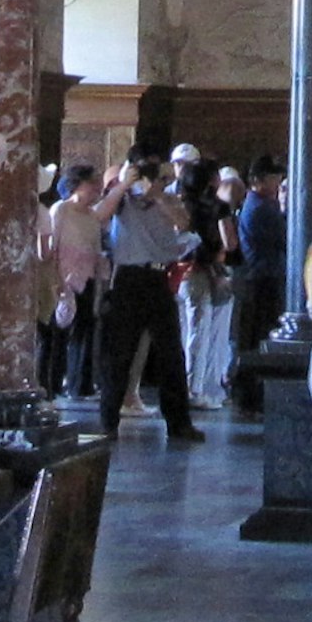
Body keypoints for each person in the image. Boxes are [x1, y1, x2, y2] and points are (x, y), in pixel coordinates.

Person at [94, 160, 203, 442]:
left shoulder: (167, 199)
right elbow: (99, 216)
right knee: (119, 353)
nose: (164, 181)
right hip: (129, 278)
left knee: (171, 353)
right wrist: (123, 186)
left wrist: (155, 195)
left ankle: (179, 423)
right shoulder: (121, 200)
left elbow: (182, 222)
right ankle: (108, 422)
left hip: (158, 278)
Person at [41, 161, 107, 399]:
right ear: (77, 185)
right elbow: (52, 248)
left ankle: (80, 385)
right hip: (62, 280)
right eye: (93, 184)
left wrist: (99, 281)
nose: (97, 189)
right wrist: (56, 282)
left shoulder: (92, 216)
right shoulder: (60, 210)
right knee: (57, 335)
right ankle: (52, 386)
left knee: (84, 333)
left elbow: (96, 249)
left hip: (86, 279)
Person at [179, 156, 237, 408]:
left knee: (188, 329)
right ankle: (197, 388)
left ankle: (190, 384)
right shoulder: (218, 206)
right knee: (206, 331)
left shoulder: (182, 204)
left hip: (183, 270)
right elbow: (230, 242)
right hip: (208, 269)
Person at [233, 158, 291, 368]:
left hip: (260, 276)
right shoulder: (261, 208)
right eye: (273, 178)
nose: (277, 182)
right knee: (260, 332)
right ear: (259, 180)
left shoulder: (258, 204)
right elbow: (284, 239)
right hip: (263, 278)